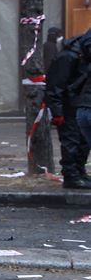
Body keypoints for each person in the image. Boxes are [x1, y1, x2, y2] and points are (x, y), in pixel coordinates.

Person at [45, 30, 91, 189]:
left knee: (83, 141)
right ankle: (71, 176)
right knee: (72, 140)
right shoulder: (69, 57)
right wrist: (57, 112)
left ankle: (78, 172)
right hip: (68, 105)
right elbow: (55, 86)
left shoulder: (81, 55)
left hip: (78, 104)